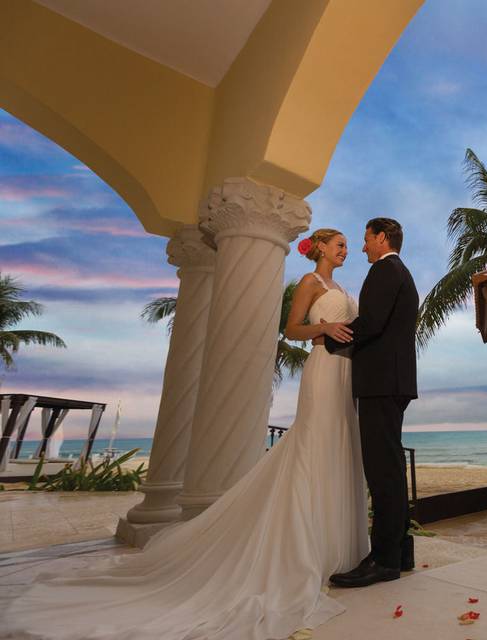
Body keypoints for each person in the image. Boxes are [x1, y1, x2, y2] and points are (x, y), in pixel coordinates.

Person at [1, 228, 368, 640]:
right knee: (312, 447)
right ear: (319, 248)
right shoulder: (310, 282)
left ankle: (337, 547)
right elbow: (291, 329)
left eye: (347, 246)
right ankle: (304, 549)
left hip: (345, 374)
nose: (345, 250)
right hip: (322, 369)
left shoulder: (340, 285)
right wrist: (325, 330)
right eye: (339, 244)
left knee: (338, 448)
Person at [322, 217, 418, 588]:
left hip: (380, 382)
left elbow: (372, 322)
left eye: (365, 240)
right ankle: (401, 551)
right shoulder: (401, 273)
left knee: (383, 472)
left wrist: (327, 341)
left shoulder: (384, 270)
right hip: (393, 381)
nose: (362, 247)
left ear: (381, 238)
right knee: (390, 468)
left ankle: (383, 561)